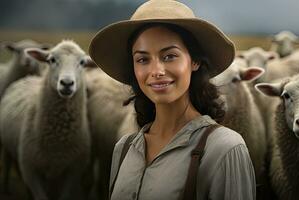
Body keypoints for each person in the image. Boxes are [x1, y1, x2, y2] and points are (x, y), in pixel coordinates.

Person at [89, 0, 256, 199]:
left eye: (169, 56)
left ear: (194, 61)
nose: (156, 71)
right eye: (142, 59)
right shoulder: (124, 148)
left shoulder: (224, 148)